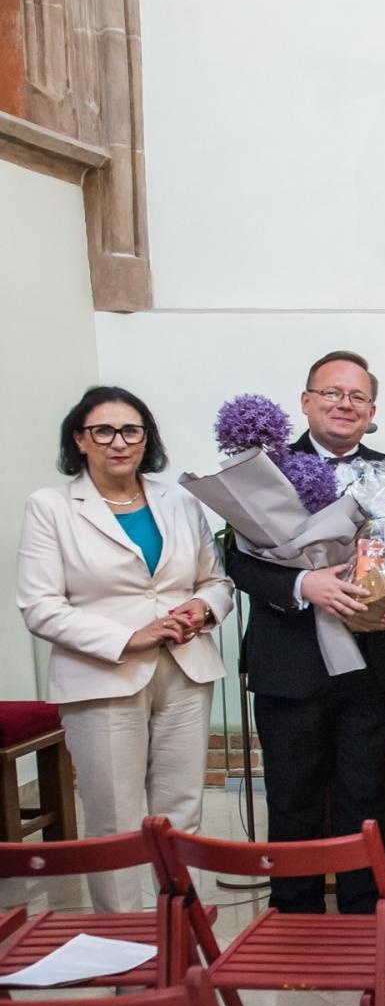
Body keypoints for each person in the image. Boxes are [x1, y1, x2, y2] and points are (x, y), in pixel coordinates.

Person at [226, 351, 385, 915]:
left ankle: (365, 914)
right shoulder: (259, 472)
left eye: (357, 397)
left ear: (373, 412)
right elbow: (237, 561)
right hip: (291, 663)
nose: (345, 404)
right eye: (332, 393)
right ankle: (296, 915)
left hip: (374, 660)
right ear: (306, 401)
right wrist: (304, 584)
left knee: (366, 797)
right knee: (292, 797)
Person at [16, 387, 233, 912]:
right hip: (103, 674)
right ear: (80, 439)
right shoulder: (52, 506)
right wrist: (127, 638)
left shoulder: (178, 500)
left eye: (131, 430)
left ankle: (181, 931)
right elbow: (38, 606)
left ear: (146, 438)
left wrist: (201, 610)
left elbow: (216, 580)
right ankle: (125, 942)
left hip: (184, 667)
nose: (119, 442)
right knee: (114, 816)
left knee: (182, 808)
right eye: (104, 431)